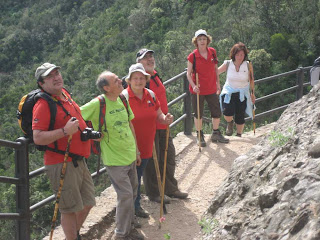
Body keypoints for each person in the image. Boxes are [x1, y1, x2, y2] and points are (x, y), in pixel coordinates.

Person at [32, 63, 96, 240]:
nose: (56, 77)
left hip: (78, 159)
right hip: (61, 162)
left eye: (57, 73)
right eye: (50, 76)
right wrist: (64, 132)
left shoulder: (65, 95)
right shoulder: (43, 104)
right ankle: (72, 237)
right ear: (41, 83)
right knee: (69, 209)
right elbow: (37, 137)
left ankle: (73, 235)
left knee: (88, 202)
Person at [80, 71, 144, 240]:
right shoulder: (98, 104)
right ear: (106, 88)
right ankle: (121, 234)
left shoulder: (122, 99)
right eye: (116, 81)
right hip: (114, 160)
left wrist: (137, 151)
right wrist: (91, 133)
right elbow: (77, 115)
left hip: (130, 154)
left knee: (133, 192)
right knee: (125, 195)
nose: (120, 81)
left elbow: (130, 125)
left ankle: (129, 227)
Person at [136, 48, 188, 203]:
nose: (150, 59)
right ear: (139, 62)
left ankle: (170, 188)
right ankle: (155, 193)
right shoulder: (140, 80)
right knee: (153, 161)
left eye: (151, 56)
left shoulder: (155, 75)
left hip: (163, 123)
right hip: (151, 126)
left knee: (168, 157)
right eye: (146, 58)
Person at [122, 63, 174, 218]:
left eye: (141, 78)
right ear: (129, 81)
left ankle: (136, 208)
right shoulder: (123, 98)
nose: (138, 81)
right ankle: (131, 212)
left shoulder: (150, 94)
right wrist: (134, 149)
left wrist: (165, 119)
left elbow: (158, 114)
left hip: (146, 145)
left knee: (137, 178)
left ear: (146, 80)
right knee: (132, 180)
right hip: (130, 147)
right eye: (135, 78)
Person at [186, 29, 229, 146]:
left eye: (204, 39)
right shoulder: (192, 56)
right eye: (199, 39)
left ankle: (215, 133)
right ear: (196, 41)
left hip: (211, 88)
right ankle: (199, 134)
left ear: (207, 40)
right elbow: (188, 74)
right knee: (198, 114)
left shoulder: (212, 52)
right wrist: (193, 86)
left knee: (216, 111)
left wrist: (218, 85)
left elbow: (215, 69)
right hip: (198, 90)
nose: (202, 41)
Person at [218, 42, 256, 137]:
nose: (240, 57)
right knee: (227, 111)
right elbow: (216, 72)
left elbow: (251, 79)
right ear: (233, 54)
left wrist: (252, 93)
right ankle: (230, 122)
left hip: (242, 92)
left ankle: (239, 134)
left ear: (245, 55)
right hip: (229, 91)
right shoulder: (228, 63)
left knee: (240, 114)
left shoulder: (248, 65)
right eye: (238, 54)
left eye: (242, 54)